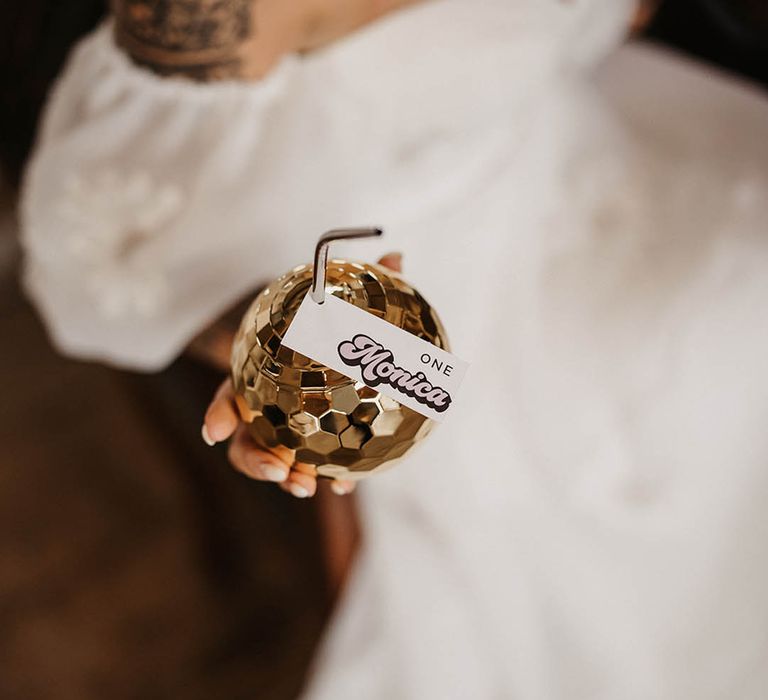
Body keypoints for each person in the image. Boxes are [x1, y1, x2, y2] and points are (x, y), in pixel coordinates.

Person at [20, 0, 768, 698]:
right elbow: (97, 258)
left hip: (624, 148)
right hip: (415, 295)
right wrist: (275, 338)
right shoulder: (210, 16)